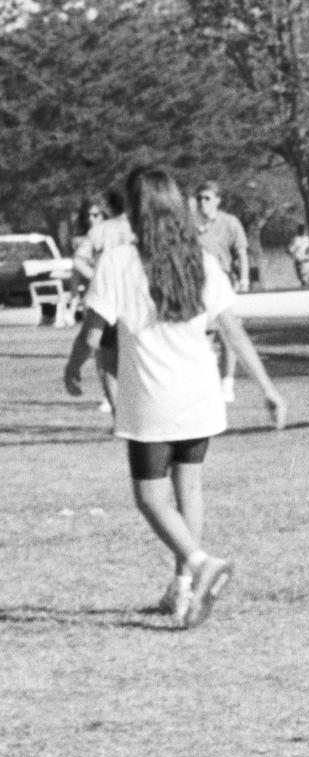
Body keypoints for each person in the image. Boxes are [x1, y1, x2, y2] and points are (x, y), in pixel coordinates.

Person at [60, 166, 286, 628]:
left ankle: (200, 563)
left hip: (152, 398)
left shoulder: (120, 262)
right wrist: (268, 390)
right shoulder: (200, 260)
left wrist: (73, 365)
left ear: (137, 212)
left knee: (149, 497)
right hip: (201, 395)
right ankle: (184, 591)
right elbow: (234, 332)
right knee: (190, 489)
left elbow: (92, 332)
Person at [193, 180, 253, 401]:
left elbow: (241, 253)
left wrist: (245, 281)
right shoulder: (189, 224)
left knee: (229, 333)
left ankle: (227, 383)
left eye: (207, 198)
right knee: (200, 336)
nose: (202, 202)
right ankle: (203, 382)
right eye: (199, 198)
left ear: (217, 200)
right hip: (197, 285)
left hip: (224, 282)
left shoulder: (230, 222)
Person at [69, 191, 126, 416]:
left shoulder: (99, 231)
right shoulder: (138, 226)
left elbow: (78, 261)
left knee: (104, 353)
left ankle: (118, 413)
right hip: (132, 297)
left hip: (106, 299)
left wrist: (96, 276)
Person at [286, 217, 309, 288]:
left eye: (304, 230)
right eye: (301, 230)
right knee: (304, 280)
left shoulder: (307, 238)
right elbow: (288, 250)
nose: (303, 231)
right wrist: (295, 258)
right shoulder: (296, 239)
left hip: (308, 261)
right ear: (298, 231)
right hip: (300, 262)